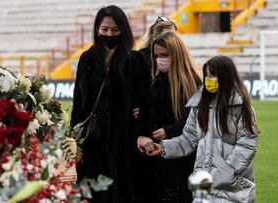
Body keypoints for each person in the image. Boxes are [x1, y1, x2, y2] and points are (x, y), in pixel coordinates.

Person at [145, 55, 258, 203]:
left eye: (213, 75)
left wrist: (226, 171)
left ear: (226, 77)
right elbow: (188, 139)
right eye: (206, 75)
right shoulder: (199, 105)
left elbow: (247, 143)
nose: (208, 79)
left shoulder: (241, 107)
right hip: (204, 185)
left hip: (233, 187)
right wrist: (163, 148)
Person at [71, 5, 151, 203]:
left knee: (124, 191)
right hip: (92, 140)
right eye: (105, 29)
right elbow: (78, 99)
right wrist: (73, 134)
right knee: (93, 191)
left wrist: (141, 128)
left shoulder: (136, 59)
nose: (109, 34)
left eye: (115, 30)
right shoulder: (87, 59)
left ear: (123, 30)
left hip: (125, 139)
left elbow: (146, 101)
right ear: (97, 29)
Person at [136, 31, 202, 202]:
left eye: (164, 55)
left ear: (176, 54)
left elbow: (196, 122)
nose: (159, 60)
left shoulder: (194, 84)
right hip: (156, 158)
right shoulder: (154, 83)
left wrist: (169, 130)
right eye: (156, 56)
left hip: (184, 160)